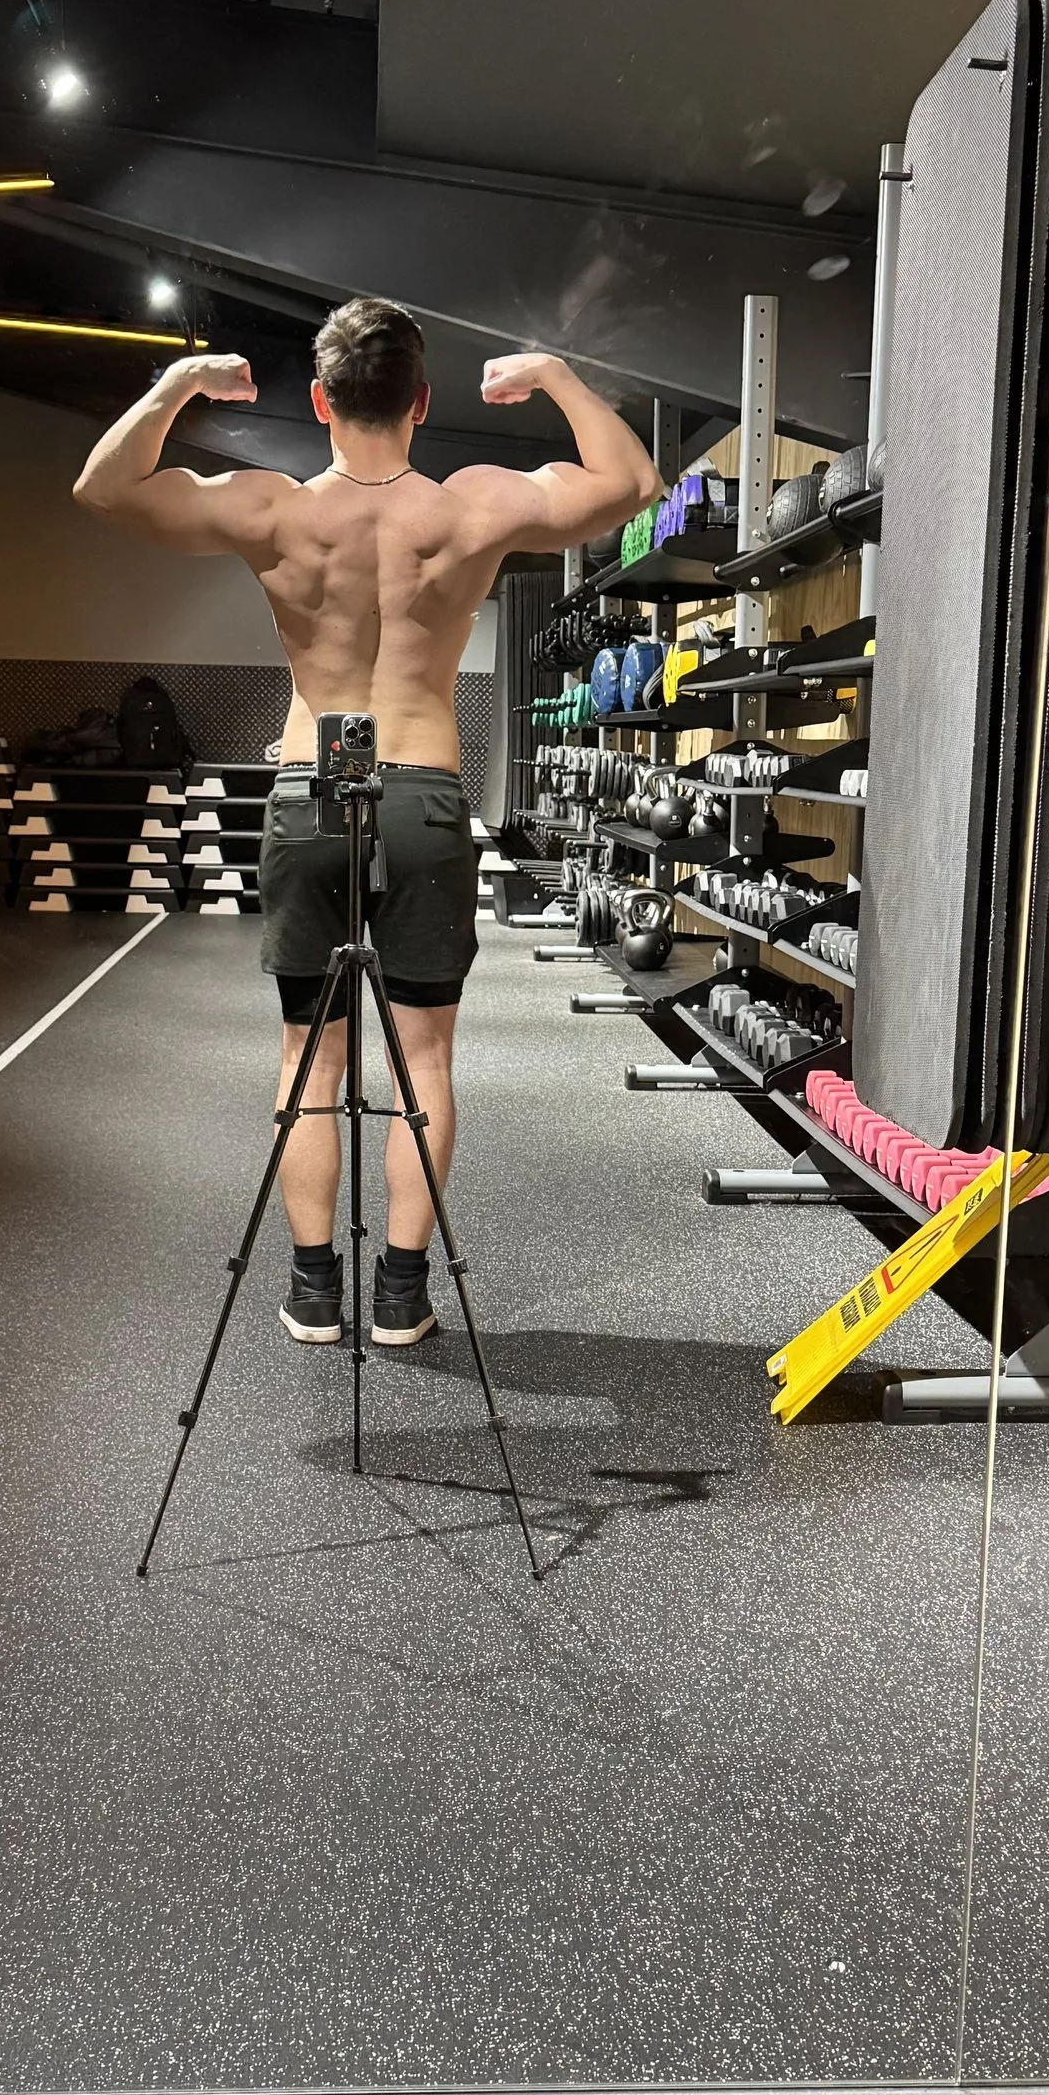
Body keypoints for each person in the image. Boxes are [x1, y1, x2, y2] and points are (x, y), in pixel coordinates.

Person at [73, 296, 657, 1346]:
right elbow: (631, 484)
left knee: (310, 1056)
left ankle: (311, 1292)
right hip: (426, 793)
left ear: (319, 401)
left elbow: (102, 487)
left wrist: (176, 389)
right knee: (424, 1059)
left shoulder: (274, 511)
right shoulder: (469, 506)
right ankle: (400, 1295)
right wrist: (559, 379)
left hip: (308, 792)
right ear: (422, 403)